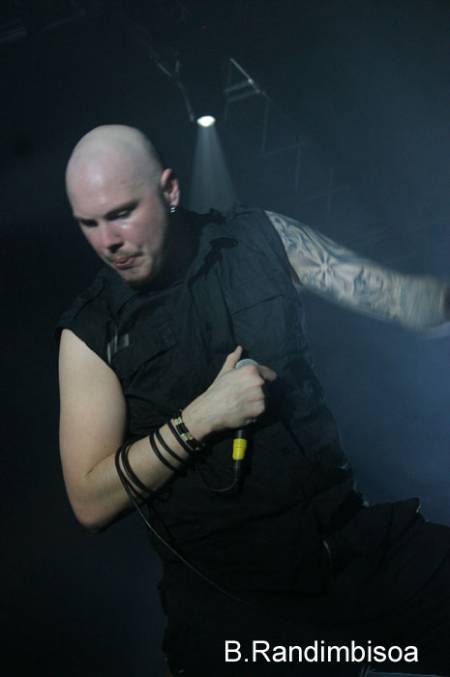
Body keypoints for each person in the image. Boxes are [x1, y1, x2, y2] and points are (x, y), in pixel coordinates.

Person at [58, 124, 450, 677]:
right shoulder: (90, 334)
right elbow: (89, 501)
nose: (108, 241)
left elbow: (398, 297)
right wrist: (201, 419)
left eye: (121, 213)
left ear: (169, 189)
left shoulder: (261, 237)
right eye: (88, 224)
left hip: (349, 544)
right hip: (236, 605)